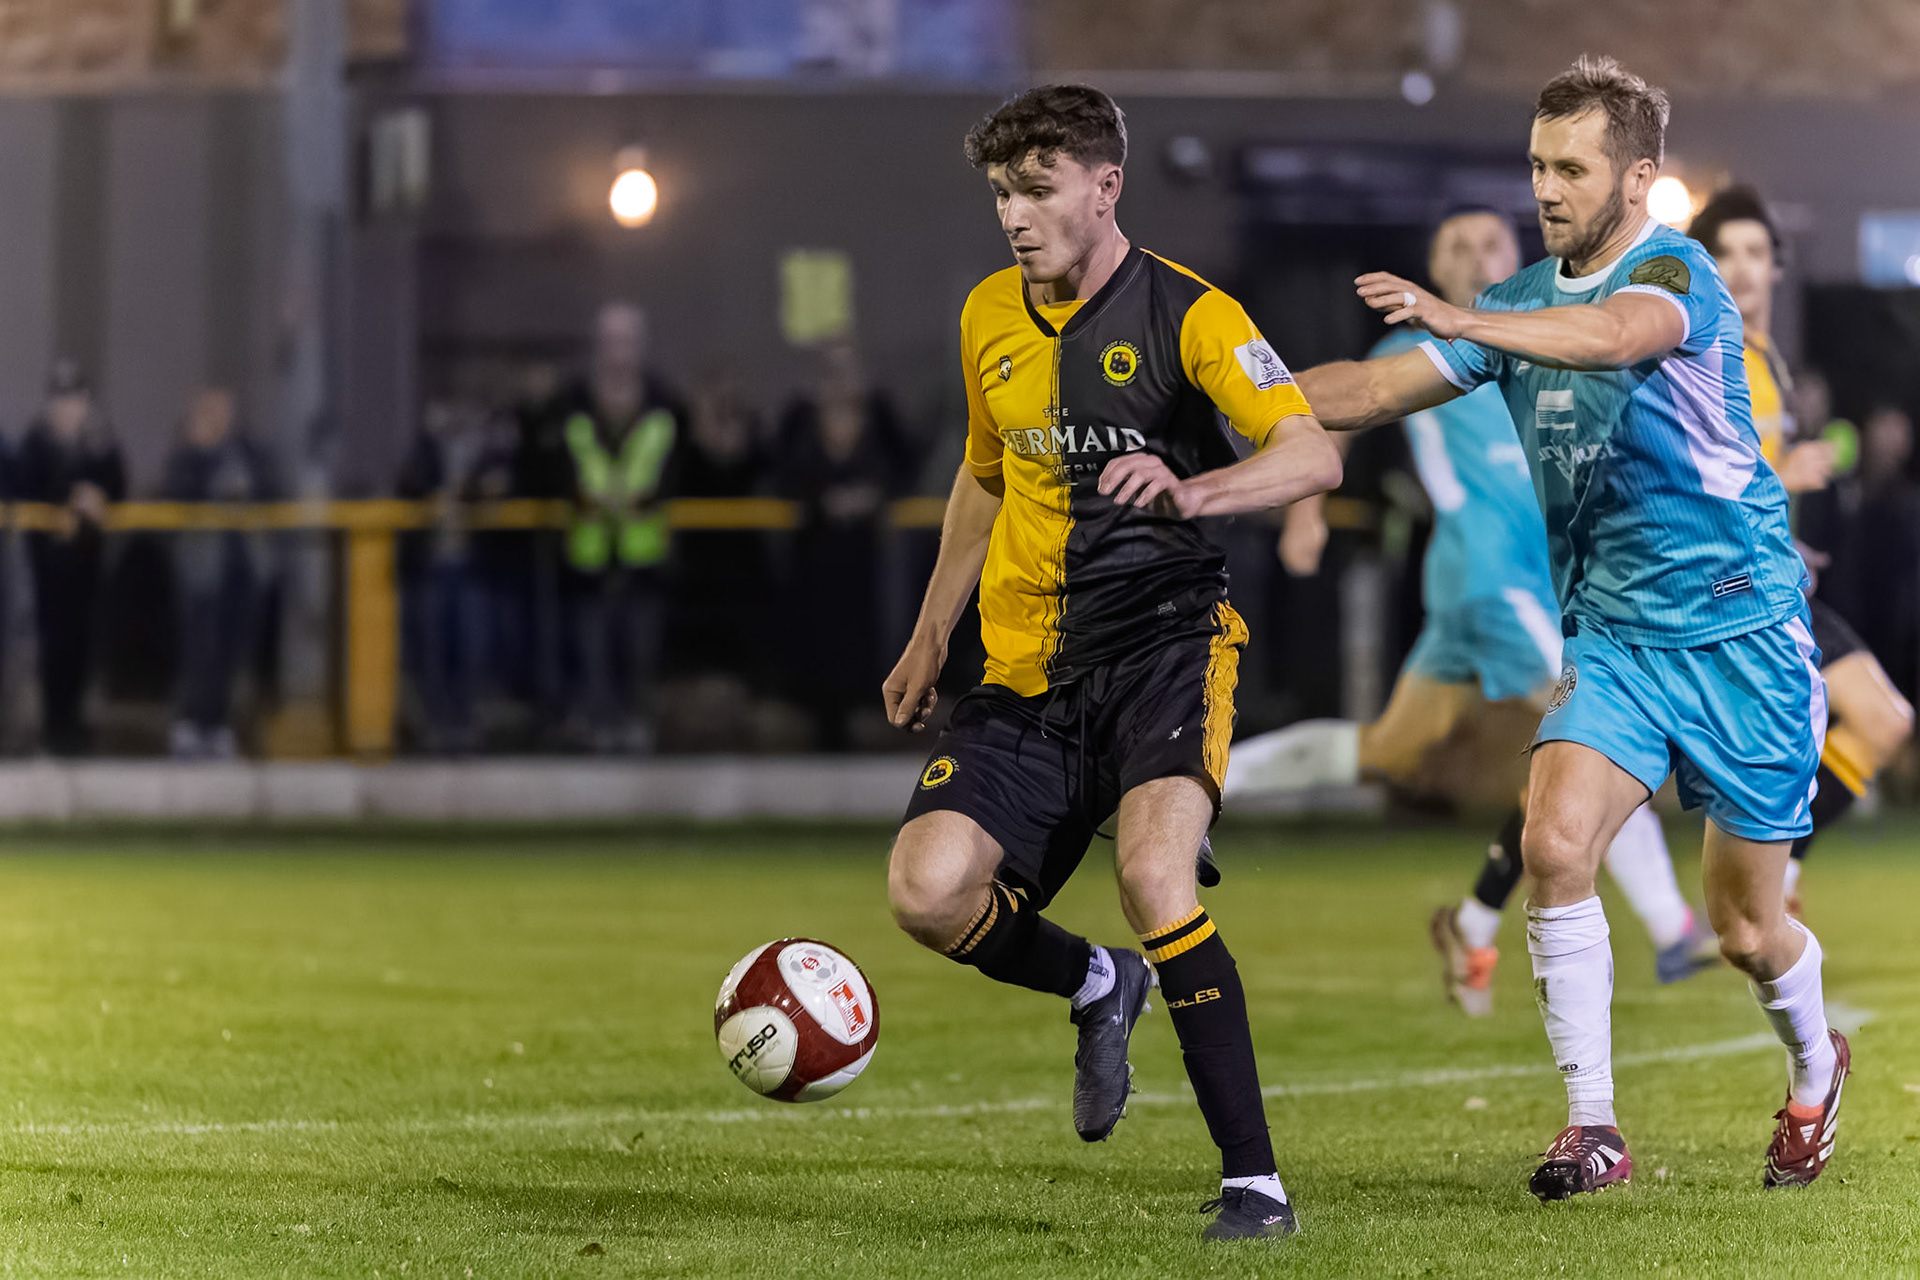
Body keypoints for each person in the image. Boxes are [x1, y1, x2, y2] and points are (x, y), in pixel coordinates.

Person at [1293, 56, 1845, 1198]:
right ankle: (1592, 1126)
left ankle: (1813, 1061)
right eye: (1537, 163)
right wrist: (1211, 387)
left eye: (1572, 166)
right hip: (1618, 640)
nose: (1545, 187)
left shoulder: (1679, 272)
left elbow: (1614, 337)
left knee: (1746, 929)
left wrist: (1463, 318)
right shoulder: (1509, 309)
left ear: (1636, 177)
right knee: (1551, 844)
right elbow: (1366, 391)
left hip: (1743, 641)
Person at [882, 85, 1341, 1241]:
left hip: (1164, 651)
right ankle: (1098, 985)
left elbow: (1310, 451)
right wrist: (934, 628)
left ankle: (1257, 1183)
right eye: (1000, 192)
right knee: (926, 891)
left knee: (1152, 879)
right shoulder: (989, 312)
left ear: (1105, 186)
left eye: (1037, 189)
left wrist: (1198, 488)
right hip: (1026, 672)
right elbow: (985, 475)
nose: (1015, 216)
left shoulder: (1191, 314)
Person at [1237, 208, 1717, 1014]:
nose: (1476, 255)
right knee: (1600, 738)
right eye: (1456, 246)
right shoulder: (1419, 349)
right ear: (1433, 266)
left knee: (1393, 751)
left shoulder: (1540, 340)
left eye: (1490, 241)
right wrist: (1305, 510)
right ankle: (1672, 931)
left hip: (1531, 584)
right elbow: (1348, 406)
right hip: (1488, 582)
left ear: (1516, 253)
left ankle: (1202, 776)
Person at [1688, 186, 1914, 915]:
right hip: (1723, 589)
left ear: (1777, 268)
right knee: (1638, 765)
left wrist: (1786, 535)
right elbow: (1691, 485)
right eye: (1726, 252)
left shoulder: (1763, 356)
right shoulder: (1702, 355)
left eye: (1756, 252)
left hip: (1771, 577)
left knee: (1880, 722)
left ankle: (1771, 882)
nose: (1743, 267)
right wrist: (1783, 476)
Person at [554, 302, 681, 753]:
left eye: (626, 340)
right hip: (588, 557)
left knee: (639, 656)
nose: (618, 351)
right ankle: (597, 731)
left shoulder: (663, 401)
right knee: (591, 655)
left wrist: (646, 498)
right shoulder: (573, 402)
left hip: (643, 556)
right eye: (610, 341)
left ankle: (635, 733)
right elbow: (558, 467)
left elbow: (674, 472)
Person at [777, 343, 915, 750]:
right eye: (832, 370)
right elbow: (786, 476)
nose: (840, 380)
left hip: (866, 557)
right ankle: (823, 727)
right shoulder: (802, 420)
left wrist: (871, 498)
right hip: (817, 556)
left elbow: (905, 469)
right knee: (820, 643)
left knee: (864, 641)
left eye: (847, 369)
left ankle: (860, 726)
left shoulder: (879, 417)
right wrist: (823, 502)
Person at [14, 359, 126, 757]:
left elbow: (119, 487)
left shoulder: (100, 440)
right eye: (61, 400)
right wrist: (65, 501)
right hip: (46, 569)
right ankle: (53, 729)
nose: (67, 409)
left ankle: (75, 730)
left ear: (85, 401)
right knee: (51, 649)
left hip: (87, 566)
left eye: (74, 399)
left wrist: (98, 498)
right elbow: (24, 489)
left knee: (83, 647)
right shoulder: (36, 440)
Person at [161, 387, 279, 759]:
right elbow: (176, 494)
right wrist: (201, 457)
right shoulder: (187, 456)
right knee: (200, 652)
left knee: (233, 653)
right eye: (207, 412)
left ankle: (220, 726)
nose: (215, 419)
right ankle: (192, 725)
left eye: (221, 411)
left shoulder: (247, 453)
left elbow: (273, 492)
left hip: (243, 572)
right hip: (201, 574)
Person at [396, 399, 517, 755]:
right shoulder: (423, 453)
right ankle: (438, 723)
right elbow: (408, 489)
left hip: (473, 565)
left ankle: (466, 722)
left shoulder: (489, 456)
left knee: (472, 648)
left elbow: (504, 492)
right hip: (432, 567)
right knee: (433, 650)